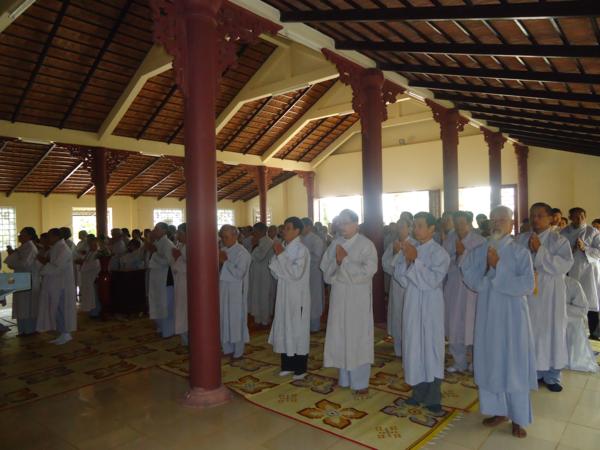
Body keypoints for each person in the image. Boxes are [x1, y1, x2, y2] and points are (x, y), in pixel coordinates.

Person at [460, 206, 536, 438]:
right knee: (491, 361)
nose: (496, 223)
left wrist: (497, 267)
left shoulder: (520, 252)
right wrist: (487, 269)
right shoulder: (479, 251)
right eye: (493, 219)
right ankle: (498, 410)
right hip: (488, 316)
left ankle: (518, 418)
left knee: (514, 364)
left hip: (513, 318)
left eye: (502, 219)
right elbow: (471, 280)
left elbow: (527, 285)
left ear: (511, 224)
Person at [394, 212, 450, 412]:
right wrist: (407, 260)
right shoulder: (412, 248)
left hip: (431, 306)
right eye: (414, 226)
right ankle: (417, 393)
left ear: (432, 228)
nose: (415, 230)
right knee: (414, 347)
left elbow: (432, 281)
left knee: (431, 348)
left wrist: (415, 261)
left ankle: (434, 397)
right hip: (412, 303)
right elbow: (401, 278)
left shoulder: (440, 253)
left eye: (420, 225)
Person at [517, 203, 573, 391]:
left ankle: (552, 376)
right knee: (531, 331)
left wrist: (540, 250)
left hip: (551, 295)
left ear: (550, 218)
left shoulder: (559, 241)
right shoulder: (521, 239)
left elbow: (565, 265)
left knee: (551, 332)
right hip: (528, 293)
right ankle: (532, 372)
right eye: (532, 215)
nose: (535, 219)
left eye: (540, 215)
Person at [321, 209, 377, 394]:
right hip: (339, 295)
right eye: (340, 223)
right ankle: (344, 378)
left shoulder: (366, 244)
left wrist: (344, 261)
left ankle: (360, 382)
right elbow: (326, 268)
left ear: (356, 224)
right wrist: (337, 263)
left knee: (357, 336)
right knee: (340, 335)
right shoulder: (336, 243)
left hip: (357, 298)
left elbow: (368, 272)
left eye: (346, 223)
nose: (342, 226)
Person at [269, 217, 311, 380]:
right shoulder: (284, 247)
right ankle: (287, 365)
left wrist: (281, 256)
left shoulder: (302, 250)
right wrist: (280, 257)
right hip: (284, 294)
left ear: (297, 231)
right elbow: (274, 271)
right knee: (284, 326)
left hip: (297, 297)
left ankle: (300, 368)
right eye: (284, 228)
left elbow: (296, 273)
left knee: (298, 330)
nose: (283, 231)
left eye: (287, 228)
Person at [445, 211, 486, 373]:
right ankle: (459, 361)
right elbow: (443, 261)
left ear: (469, 223)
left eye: (462, 224)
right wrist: (456, 255)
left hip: (471, 290)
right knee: (454, 323)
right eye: (456, 224)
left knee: (472, 324)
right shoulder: (450, 239)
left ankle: (476, 362)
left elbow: (481, 265)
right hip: (454, 287)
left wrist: (463, 254)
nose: (459, 227)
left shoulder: (480, 241)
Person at [561, 207, 600, 339]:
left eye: (581, 216)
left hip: (588, 272)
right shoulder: (564, 233)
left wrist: (585, 248)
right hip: (570, 271)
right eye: (575, 216)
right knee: (571, 301)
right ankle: (571, 332)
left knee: (591, 300)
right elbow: (558, 251)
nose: (579, 219)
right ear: (570, 217)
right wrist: (570, 250)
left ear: (585, 217)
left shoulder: (592, 231)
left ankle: (594, 333)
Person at [36, 228, 77, 345]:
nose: (47, 238)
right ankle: (62, 333)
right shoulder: (56, 248)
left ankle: (66, 333)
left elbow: (56, 267)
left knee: (63, 308)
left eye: (49, 236)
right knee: (57, 308)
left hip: (62, 285)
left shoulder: (64, 249)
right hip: (56, 284)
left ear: (56, 237)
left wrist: (43, 266)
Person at [382, 216, 415, 357]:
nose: (399, 230)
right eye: (398, 227)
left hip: (410, 286)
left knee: (408, 317)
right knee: (396, 315)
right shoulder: (394, 244)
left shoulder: (415, 244)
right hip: (396, 286)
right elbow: (385, 264)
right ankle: (398, 350)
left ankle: (409, 350)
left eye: (402, 227)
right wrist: (395, 253)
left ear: (410, 229)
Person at [219, 225, 251, 359]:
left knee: (236, 320)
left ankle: (238, 351)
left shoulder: (242, 253)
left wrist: (225, 261)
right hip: (223, 289)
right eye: (222, 237)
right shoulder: (223, 250)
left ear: (235, 236)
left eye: (226, 237)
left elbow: (239, 273)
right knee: (224, 318)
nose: (223, 240)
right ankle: (227, 348)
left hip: (236, 291)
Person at [4, 227, 40, 335]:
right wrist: (12, 255)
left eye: (22, 234)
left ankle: (30, 329)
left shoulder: (31, 248)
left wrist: (13, 256)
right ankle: (22, 329)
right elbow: (11, 264)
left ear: (29, 236)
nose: (19, 236)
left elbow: (25, 264)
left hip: (28, 278)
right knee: (20, 304)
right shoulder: (22, 247)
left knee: (27, 305)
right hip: (20, 278)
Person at [564, 276, 599, 373]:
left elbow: (582, 309)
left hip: (567, 316)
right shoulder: (539, 280)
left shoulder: (572, 283)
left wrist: (561, 307)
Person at [147, 222, 176, 337]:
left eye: (157, 229)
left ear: (164, 231)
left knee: (166, 304)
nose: (154, 231)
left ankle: (168, 331)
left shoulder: (168, 244)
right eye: (154, 229)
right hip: (156, 278)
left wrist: (155, 252)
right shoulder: (157, 242)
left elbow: (169, 262)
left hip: (165, 279)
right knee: (157, 302)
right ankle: (160, 327)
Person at [300, 218, 325, 332]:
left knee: (314, 298)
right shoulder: (299, 239)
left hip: (313, 272)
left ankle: (314, 325)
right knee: (302, 298)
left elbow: (317, 257)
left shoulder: (316, 240)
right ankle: (303, 324)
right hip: (301, 273)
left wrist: (303, 255)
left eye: (302, 226)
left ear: (309, 227)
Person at [248, 222, 274, 326]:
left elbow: (259, 256)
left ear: (261, 231)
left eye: (255, 231)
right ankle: (258, 318)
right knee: (257, 295)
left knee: (263, 295)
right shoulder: (261, 241)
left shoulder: (267, 241)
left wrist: (254, 245)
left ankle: (265, 319)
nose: (253, 233)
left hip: (264, 273)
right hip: (258, 273)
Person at [171, 223, 188, 345]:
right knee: (181, 309)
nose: (177, 235)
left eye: (180, 233)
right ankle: (184, 336)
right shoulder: (181, 245)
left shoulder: (192, 246)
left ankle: (187, 336)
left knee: (184, 309)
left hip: (186, 282)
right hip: (179, 280)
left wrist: (179, 256)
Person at [77, 235, 101, 317]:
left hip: (92, 277)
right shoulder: (90, 252)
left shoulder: (98, 254)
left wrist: (82, 263)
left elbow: (94, 265)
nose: (91, 246)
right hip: (86, 276)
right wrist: (82, 262)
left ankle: (95, 312)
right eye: (90, 244)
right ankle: (89, 311)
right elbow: (85, 261)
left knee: (92, 295)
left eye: (93, 245)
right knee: (87, 294)